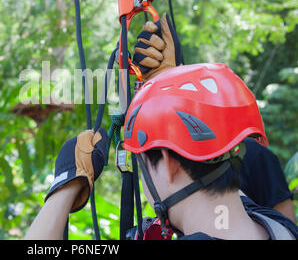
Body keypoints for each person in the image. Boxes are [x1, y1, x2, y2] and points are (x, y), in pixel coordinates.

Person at [25, 13, 297, 240]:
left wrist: (65, 186)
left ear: (168, 162)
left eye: (142, 164)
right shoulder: (277, 226)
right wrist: (169, 89)